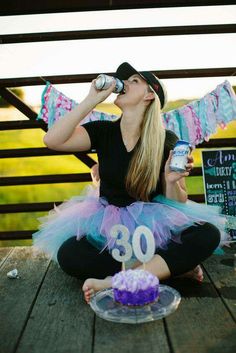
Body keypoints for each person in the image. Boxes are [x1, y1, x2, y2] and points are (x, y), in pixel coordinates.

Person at [33, 62, 230, 304]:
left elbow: (177, 201)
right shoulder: (103, 131)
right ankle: (167, 270)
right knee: (69, 255)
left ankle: (115, 281)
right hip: (110, 227)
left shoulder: (166, 139)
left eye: (134, 81)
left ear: (149, 95)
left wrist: (171, 180)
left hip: (154, 229)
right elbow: (52, 140)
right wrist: (90, 100)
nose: (123, 83)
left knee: (206, 235)